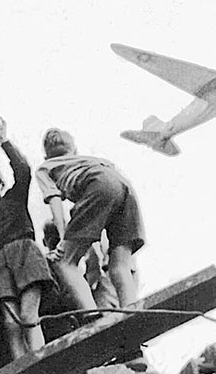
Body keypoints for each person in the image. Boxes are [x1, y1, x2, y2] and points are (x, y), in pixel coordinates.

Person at [0, 117, 56, 360]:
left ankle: (42, 365)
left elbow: (23, 170)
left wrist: (4, 141)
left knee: (29, 317)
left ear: (1, 183)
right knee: (11, 324)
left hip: (23, 255)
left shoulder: (14, 198)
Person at [34, 128, 145, 310]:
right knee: (119, 263)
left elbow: (54, 199)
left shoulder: (46, 167)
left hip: (97, 185)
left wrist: (63, 238)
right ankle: (131, 309)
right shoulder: (90, 160)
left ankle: (92, 314)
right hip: (124, 187)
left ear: (46, 157)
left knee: (64, 262)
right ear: (74, 150)